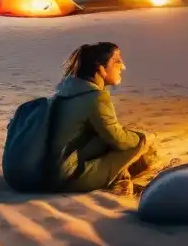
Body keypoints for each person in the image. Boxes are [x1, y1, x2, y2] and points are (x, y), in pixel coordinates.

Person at [49, 42, 156, 195]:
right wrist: (144, 138)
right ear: (101, 68)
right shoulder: (95, 97)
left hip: (51, 169)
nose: (123, 67)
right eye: (117, 61)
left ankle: (120, 173)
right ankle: (119, 178)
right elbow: (118, 140)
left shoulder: (67, 92)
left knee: (118, 137)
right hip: (68, 177)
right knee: (137, 143)